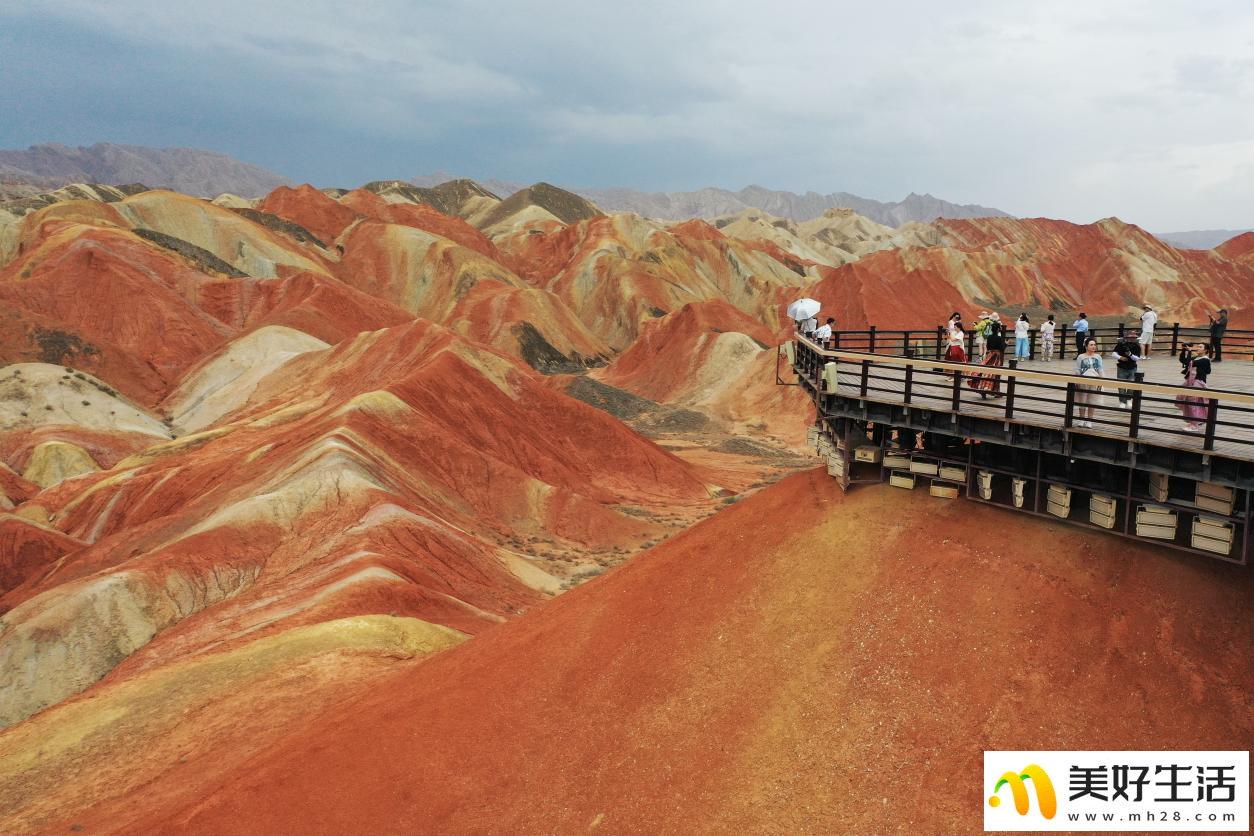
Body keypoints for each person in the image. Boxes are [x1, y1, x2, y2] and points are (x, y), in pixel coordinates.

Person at [1176, 342, 1212, 432]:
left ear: (1205, 350)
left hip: (1197, 382)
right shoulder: (1198, 358)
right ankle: (1193, 421)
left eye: (1200, 347)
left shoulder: (1205, 360)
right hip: (1191, 381)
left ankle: (1195, 424)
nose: (1198, 348)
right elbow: (1183, 361)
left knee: (1193, 403)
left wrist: (1189, 352)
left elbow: (1190, 362)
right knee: (1187, 401)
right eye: (1198, 346)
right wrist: (1184, 350)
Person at [968, 312, 1006, 397]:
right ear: (998, 329)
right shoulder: (999, 338)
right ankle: (996, 392)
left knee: (985, 372)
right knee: (995, 374)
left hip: (990, 355)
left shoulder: (989, 337)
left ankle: (982, 389)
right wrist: (1006, 343)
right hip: (997, 356)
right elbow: (1002, 348)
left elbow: (988, 347)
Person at [1074, 338, 1105, 428]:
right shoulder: (1081, 357)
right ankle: (1081, 419)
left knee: (1092, 400)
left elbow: (1100, 369)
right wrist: (1077, 380)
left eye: (1094, 345)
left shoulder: (1098, 357)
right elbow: (1077, 369)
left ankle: (1090, 420)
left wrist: (1101, 380)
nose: (1093, 346)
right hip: (1083, 380)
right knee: (1082, 399)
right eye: (1091, 345)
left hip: (1095, 379)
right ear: (1086, 346)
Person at [1112, 330, 1140, 408]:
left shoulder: (1137, 346)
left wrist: (1130, 355)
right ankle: (1122, 401)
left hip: (1132, 367)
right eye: (1131, 337)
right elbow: (1113, 354)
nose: (1132, 339)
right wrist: (1120, 357)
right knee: (1121, 385)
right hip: (1121, 367)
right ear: (1127, 338)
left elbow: (1137, 358)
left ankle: (1128, 399)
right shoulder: (1121, 344)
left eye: (1134, 338)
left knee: (1131, 385)